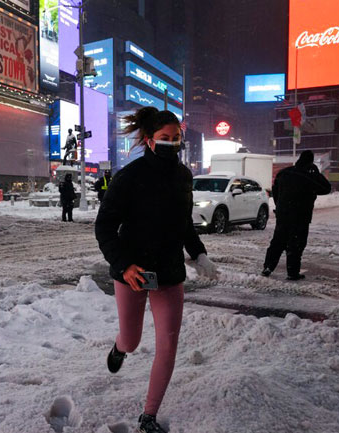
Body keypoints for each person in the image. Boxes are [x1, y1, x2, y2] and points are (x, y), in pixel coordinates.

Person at [95, 107, 219, 433]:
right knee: (133, 340)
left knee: (167, 345)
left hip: (168, 274)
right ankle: (120, 348)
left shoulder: (183, 176)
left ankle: (148, 416)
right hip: (133, 272)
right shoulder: (129, 176)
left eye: (176, 138)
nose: (172, 144)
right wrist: (123, 265)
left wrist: (199, 254)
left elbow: (184, 224)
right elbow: (104, 227)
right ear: (149, 140)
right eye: (165, 138)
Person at [262, 150, 331, 280]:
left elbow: (275, 192)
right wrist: (316, 173)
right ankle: (292, 273)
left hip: (283, 215)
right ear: (310, 162)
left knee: (278, 242)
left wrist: (280, 206)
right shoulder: (310, 175)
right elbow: (326, 188)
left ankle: (268, 267)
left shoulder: (284, 173)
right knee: (296, 244)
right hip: (301, 216)